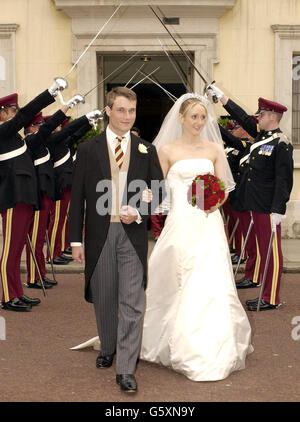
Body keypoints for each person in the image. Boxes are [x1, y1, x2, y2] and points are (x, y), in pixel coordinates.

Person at [140, 93, 253, 382]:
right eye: (193, 117)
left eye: (203, 117)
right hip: (180, 222)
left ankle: (214, 343)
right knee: (178, 278)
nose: (198, 122)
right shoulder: (166, 151)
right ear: (181, 118)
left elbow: (225, 187)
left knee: (211, 280)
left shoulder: (215, 149)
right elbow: (158, 189)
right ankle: (175, 340)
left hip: (208, 223)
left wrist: (214, 201)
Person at [69, 86, 165, 393]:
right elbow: (78, 200)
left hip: (132, 235)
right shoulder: (87, 150)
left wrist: (139, 213)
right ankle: (107, 346)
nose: (127, 116)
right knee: (104, 297)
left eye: (132, 111)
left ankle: (125, 368)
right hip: (99, 235)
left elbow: (160, 195)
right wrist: (75, 241)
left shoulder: (146, 149)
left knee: (133, 302)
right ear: (108, 110)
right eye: (121, 110)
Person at [207, 85, 293, 311]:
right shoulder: (263, 137)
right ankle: (266, 293)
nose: (258, 117)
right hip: (255, 204)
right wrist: (224, 99)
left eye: (262, 114)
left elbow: (284, 180)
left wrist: (278, 209)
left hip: (267, 207)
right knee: (264, 251)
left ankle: (271, 297)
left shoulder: (280, 143)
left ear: (272, 117)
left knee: (271, 253)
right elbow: (244, 119)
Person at [0, 81, 67, 312]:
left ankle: (17, 291)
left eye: (16, 111)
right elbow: (26, 115)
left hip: (26, 197)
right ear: (2, 114)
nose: (17, 115)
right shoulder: (2, 132)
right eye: (12, 111)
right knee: (10, 249)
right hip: (12, 198)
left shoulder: (16, 138)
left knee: (18, 247)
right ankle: (7, 296)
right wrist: (49, 92)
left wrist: (63, 109)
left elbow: (44, 131)